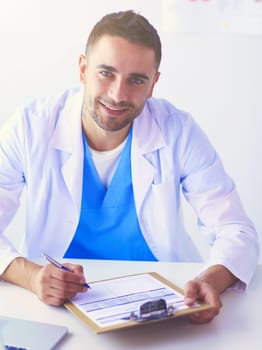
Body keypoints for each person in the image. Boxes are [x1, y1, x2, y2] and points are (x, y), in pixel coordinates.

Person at [0, 10, 259, 324]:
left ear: (153, 84)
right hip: (59, 306)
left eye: (136, 80)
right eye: (106, 73)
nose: (118, 94)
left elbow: (236, 230)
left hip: (165, 305)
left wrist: (210, 280)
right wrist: (32, 277)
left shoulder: (178, 131)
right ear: (82, 69)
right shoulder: (31, 126)